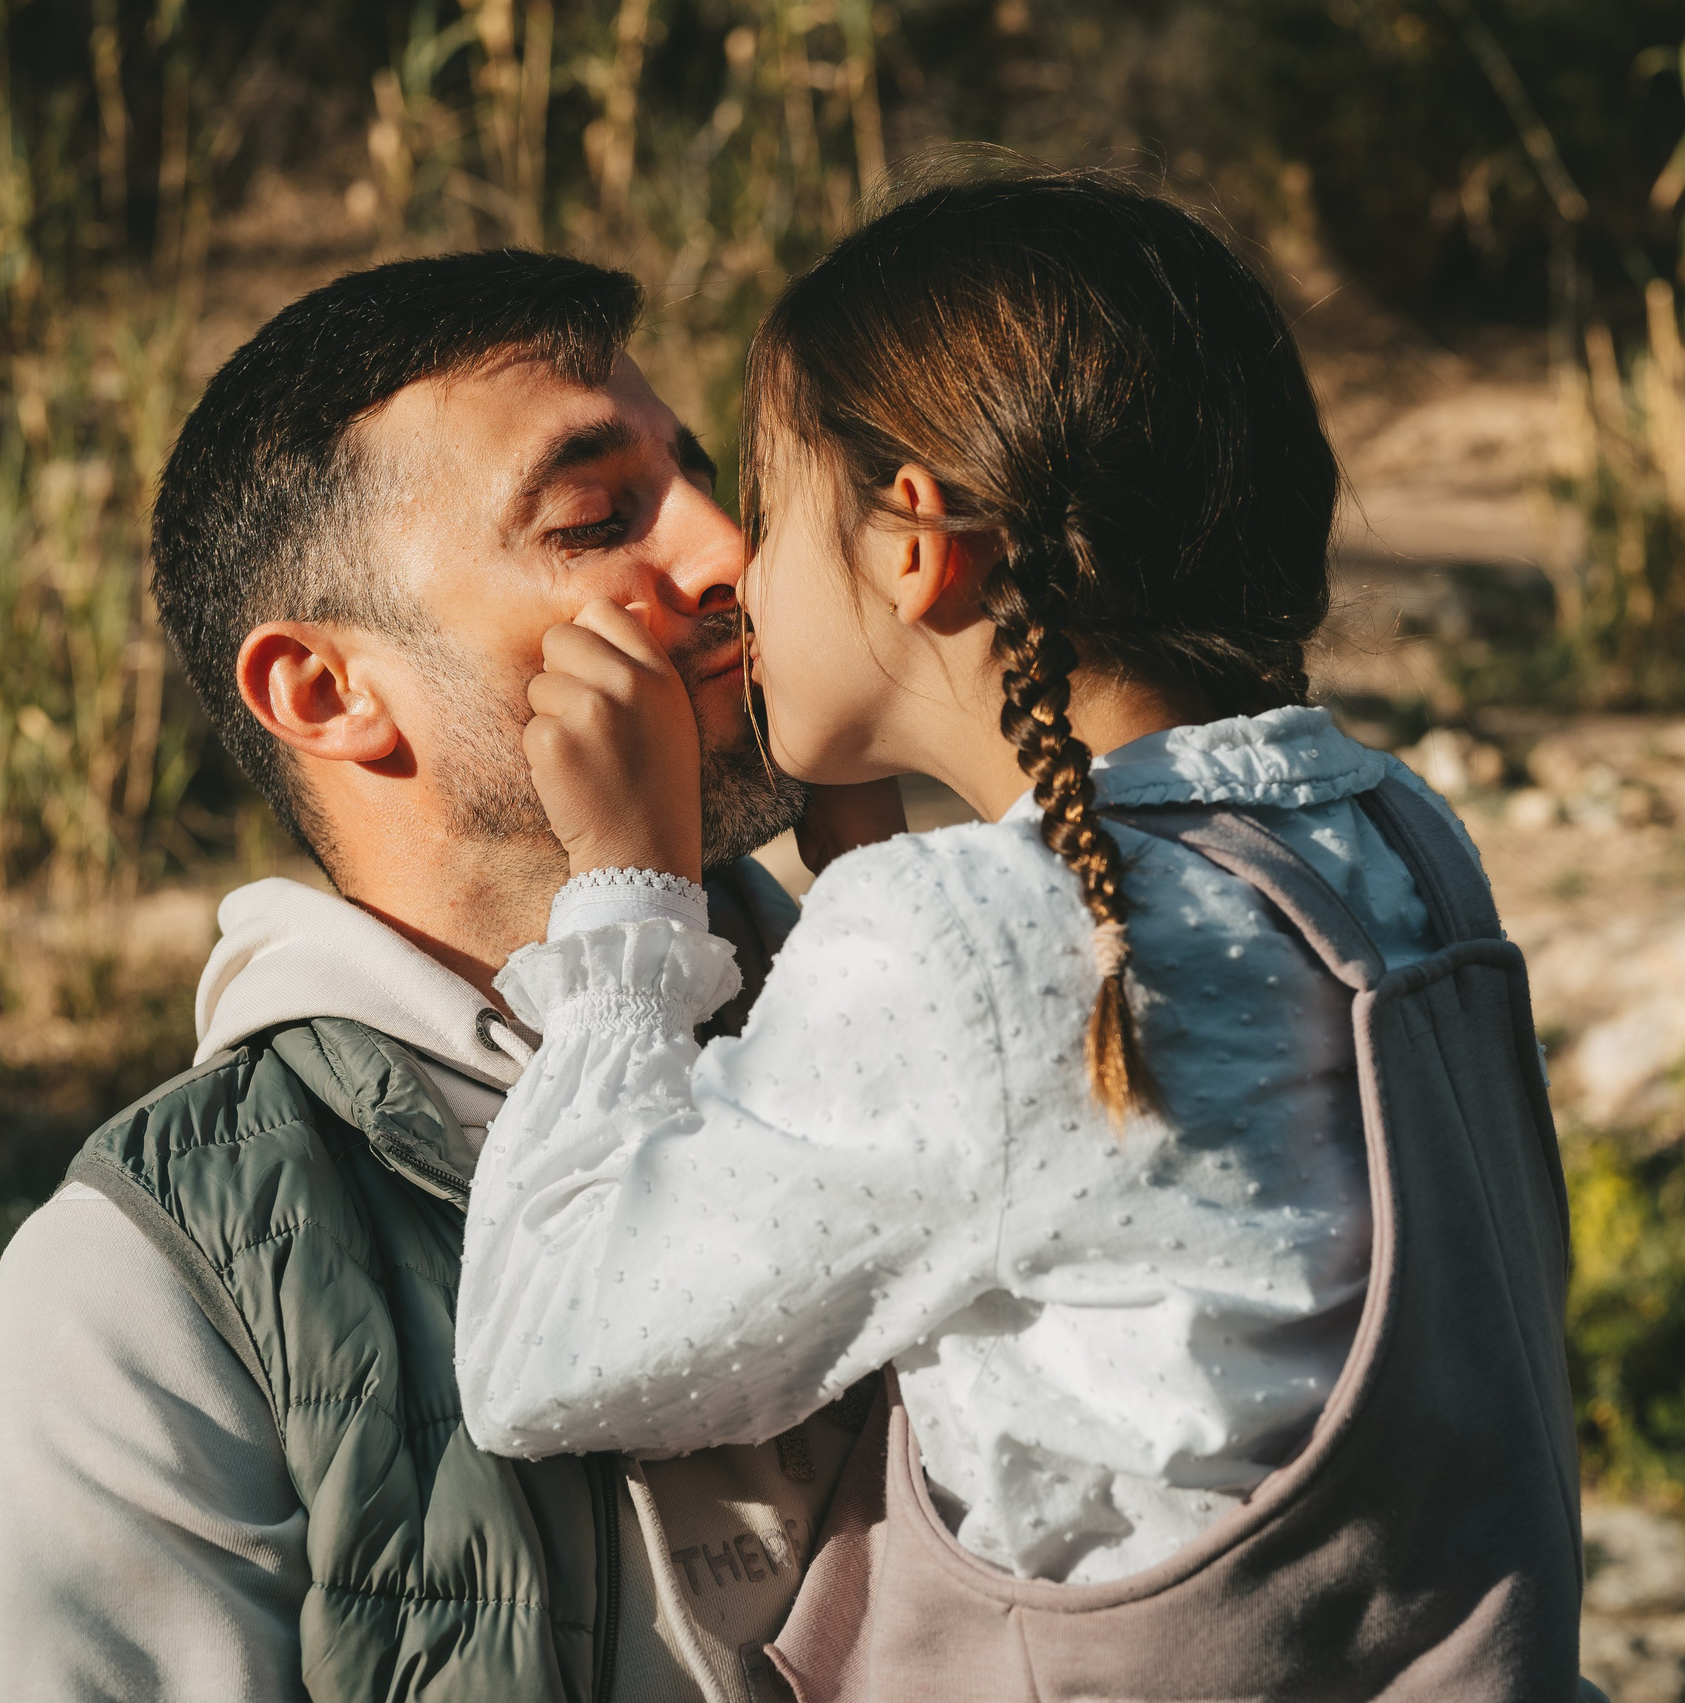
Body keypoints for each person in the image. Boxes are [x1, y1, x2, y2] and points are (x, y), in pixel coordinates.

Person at [455, 169, 1586, 1700]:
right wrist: (880, 868)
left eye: (777, 512)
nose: (732, 564)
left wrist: (631, 890)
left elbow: (543, 1356)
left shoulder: (968, 947)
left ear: (916, 545)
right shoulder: (1389, 836)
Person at [0, 250, 900, 1703]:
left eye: (703, 479)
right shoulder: (150, 1286)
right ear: (327, 693)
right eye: (596, 518)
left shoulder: (926, 1009)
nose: (729, 556)